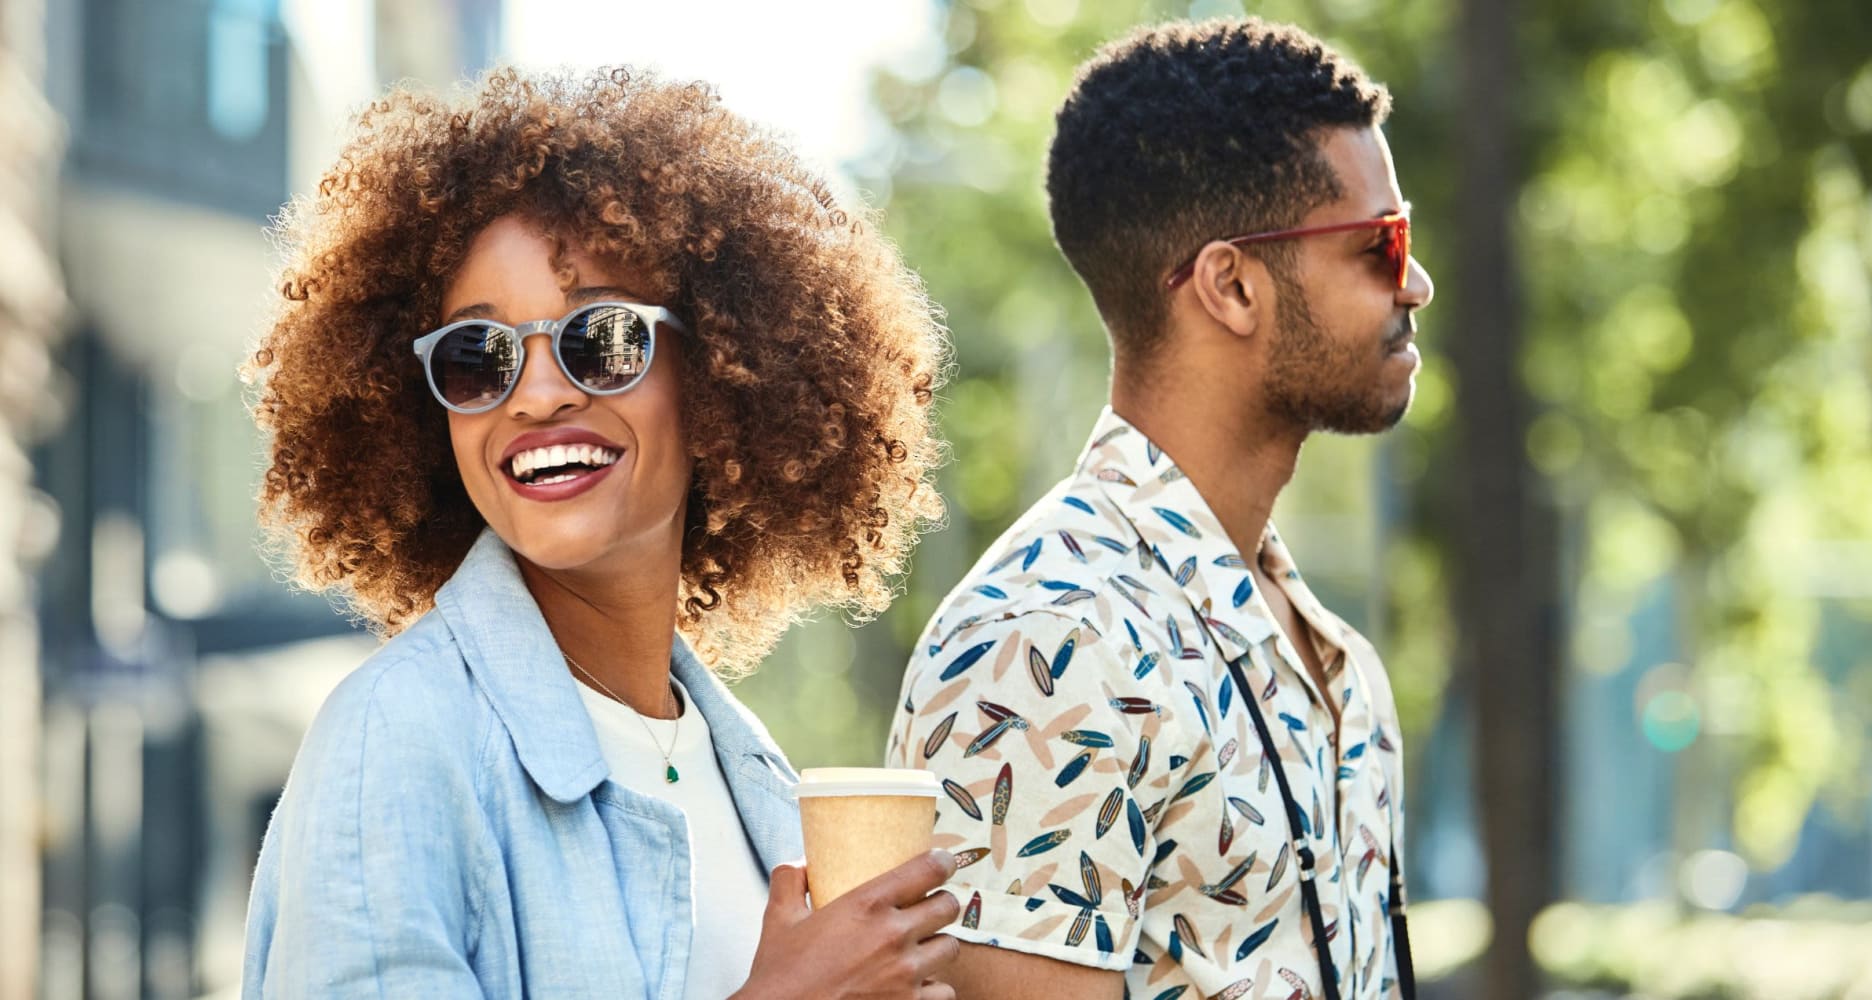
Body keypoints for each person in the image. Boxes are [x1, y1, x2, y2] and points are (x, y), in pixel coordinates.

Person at [241, 67, 962, 999]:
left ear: (719, 375)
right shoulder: (399, 737)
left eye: (604, 340)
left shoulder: (753, 779)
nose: (538, 394)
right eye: (478, 357)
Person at [885, 18, 1435, 1000]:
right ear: (1231, 285)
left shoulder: (1331, 660)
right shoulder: (1042, 649)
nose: (1416, 285)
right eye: (1377, 247)